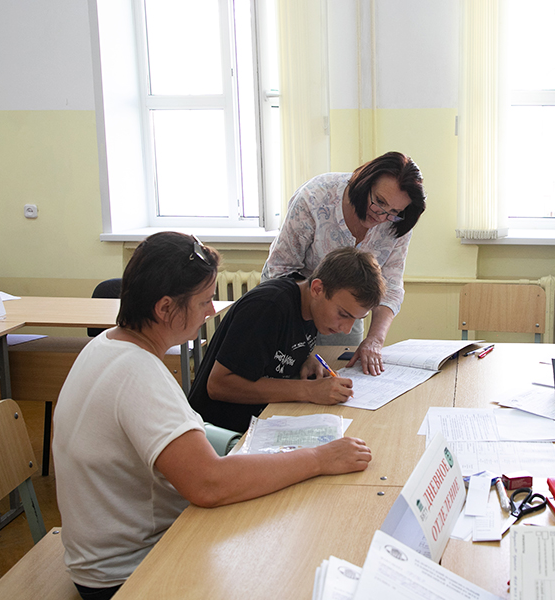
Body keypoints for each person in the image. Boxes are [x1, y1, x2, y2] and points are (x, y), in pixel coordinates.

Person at [52, 233, 372, 599]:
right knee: (293, 561)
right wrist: (319, 458)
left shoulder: (106, 345)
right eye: (204, 301)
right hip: (130, 573)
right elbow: (208, 484)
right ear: (165, 308)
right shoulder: (139, 374)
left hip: (104, 557)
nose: (211, 311)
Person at [261, 151, 426, 376]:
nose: (381, 216)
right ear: (364, 182)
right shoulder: (315, 197)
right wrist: (299, 348)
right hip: (293, 307)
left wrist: (375, 340)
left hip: (348, 310)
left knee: (338, 378)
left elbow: (391, 286)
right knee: (292, 377)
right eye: (379, 201)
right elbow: (280, 270)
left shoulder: (399, 223)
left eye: (394, 212)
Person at [189, 246, 386, 433]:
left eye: (356, 319)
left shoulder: (311, 309)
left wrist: (304, 360)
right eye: (343, 314)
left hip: (264, 419)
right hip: (219, 434)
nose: (346, 329)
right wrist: (309, 391)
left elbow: (274, 349)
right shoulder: (269, 307)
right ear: (317, 289)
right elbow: (218, 385)